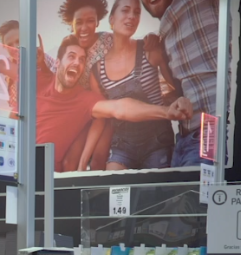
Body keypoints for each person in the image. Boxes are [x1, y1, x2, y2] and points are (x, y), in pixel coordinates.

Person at [37, 35, 189, 172]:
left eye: (82, 59)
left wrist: (166, 111)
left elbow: (120, 108)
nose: (77, 63)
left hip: (44, 177)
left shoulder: (84, 100)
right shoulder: (37, 81)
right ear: (57, 63)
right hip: (18, 164)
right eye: (71, 57)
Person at [93, 0, 180, 170]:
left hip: (157, 142)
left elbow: (176, 86)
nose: (132, 16)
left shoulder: (149, 49)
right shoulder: (97, 71)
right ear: (111, 19)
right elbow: (102, 120)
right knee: (117, 193)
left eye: (137, 13)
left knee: (156, 195)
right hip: (122, 146)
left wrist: (161, 51)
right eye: (125, 11)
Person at [141, 0, 221, 167]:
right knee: (179, 192)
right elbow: (175, 93)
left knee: (194, 192)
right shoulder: (163, 36)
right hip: (184, 138)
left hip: (211, 129)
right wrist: (161, 58)